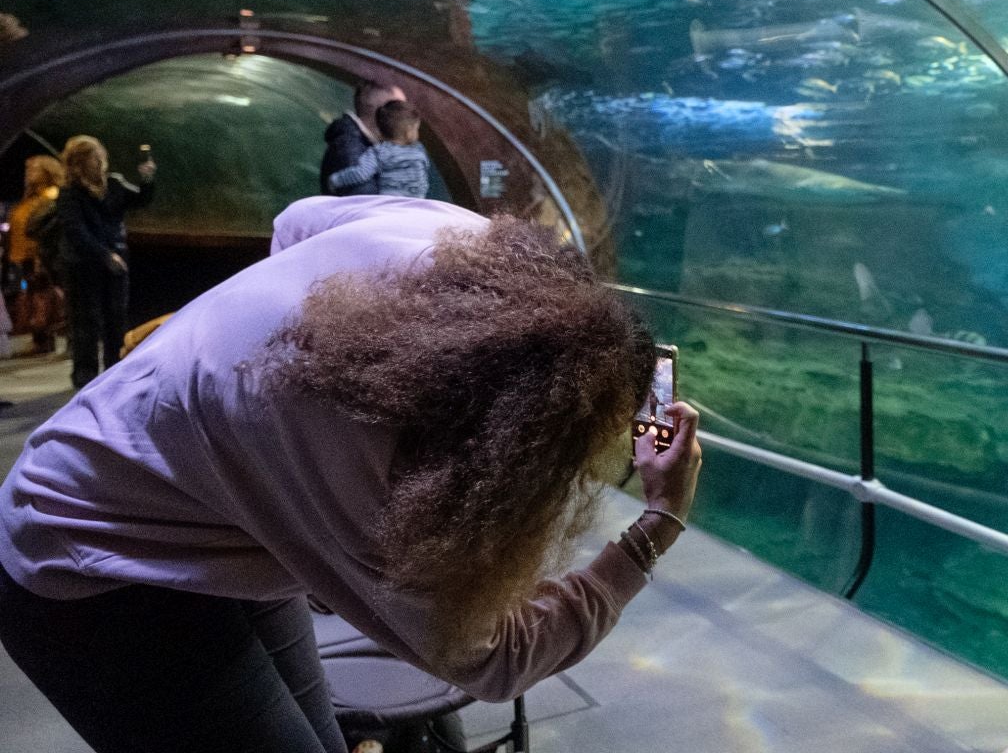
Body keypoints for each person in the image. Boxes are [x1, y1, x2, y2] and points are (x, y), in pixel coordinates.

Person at [0, 195, 701, 753]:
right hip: (87, 571)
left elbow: (295, 223)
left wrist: (263, 356)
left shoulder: (448, 232)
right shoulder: (378, 480)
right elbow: (494, 657)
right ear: (508, 449)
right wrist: (656, 525)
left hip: (209, 517)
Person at [54, 135, 154, 389]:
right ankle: (84, 378)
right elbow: (76, 231)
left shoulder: (114, 184)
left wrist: (148, 179)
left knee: (116, 318)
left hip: (116, 260)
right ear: (78, 162)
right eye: (92, 155)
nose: (99, 160)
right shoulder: (69, 194)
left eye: (99, 154)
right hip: (83, 264)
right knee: (85, 321)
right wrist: (104, 255)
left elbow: (141, 199)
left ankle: (115, 370)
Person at [5, 155, 66, 355]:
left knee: (43, 296)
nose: (29, 174)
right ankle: (40, 338)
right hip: (23, 256)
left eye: (34, 169)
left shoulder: (51, 197)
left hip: (42, 256)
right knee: (32, 294)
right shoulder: (28, 199)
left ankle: (46, 337)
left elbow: (46, 230)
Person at [326, 100, 430, 198]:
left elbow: (361, 173)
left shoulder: (379, 151)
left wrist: (335, 180)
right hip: (417, 204)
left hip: (388, 204)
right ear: (409, 132)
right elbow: (424, 175)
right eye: (416, 129)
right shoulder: (419, 151)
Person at [321, 78, 406, 196]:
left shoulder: (365, 148)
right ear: (381, 113)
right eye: (399, 109)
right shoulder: (350, 151)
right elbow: (371, 209)